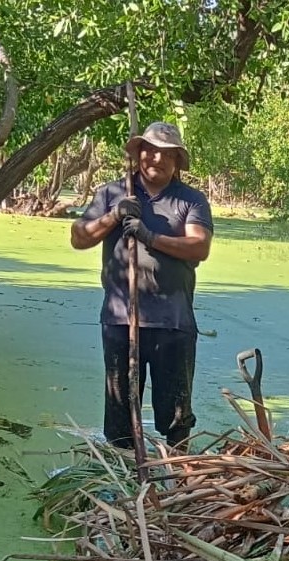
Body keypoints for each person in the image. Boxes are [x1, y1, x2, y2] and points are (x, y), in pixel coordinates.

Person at [70, 121, 214, 449]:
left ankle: (177, 477)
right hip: (122, 317)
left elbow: (199, 247)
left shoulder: (190, 200)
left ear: (177, 161)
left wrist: (150, 236)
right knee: (121, 413)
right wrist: (114, 217)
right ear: (138, 154)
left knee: (176, 416)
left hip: (172, 321)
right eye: (149, 150)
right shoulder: (112, 193)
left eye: (166, 154)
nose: (156, 159)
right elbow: (79, 238)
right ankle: (125, 481)